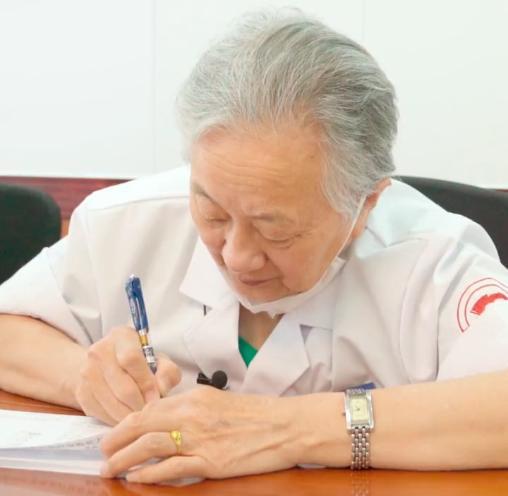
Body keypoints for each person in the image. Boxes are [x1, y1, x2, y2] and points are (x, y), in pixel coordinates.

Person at [1, 8, 508, 484]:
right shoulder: (129, 221)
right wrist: (84, 377)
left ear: (365, 205)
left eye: (275, 230)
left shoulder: (432, 260)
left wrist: (284, 428)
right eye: (214, 213)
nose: (237, 256)